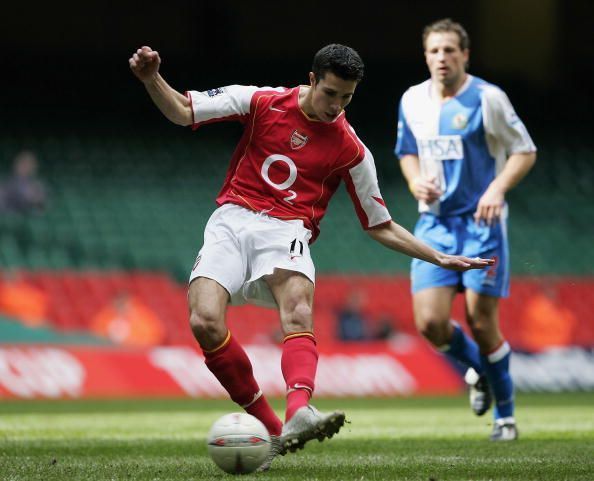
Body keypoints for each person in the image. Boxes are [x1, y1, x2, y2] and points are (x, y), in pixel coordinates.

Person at [129, 43, 492, 469]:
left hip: (288, 229)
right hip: (232, 218)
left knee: (298, 309)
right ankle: (273, 431)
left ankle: (300, 409)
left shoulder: (351, 150)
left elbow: (380, 224)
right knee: (203, 322)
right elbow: (182, 110)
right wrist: (152, 78)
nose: (337, 106)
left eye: (347, 98)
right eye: (331, 93)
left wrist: (439, 258)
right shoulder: (261, 101)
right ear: (313, 79)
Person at [394, 19, 537, 441]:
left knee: (480, 319)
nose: (442, 58)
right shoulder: (412, 100)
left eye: (450, 50)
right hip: (434, 224)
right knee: (431, 324)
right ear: (426, 56)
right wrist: (414, 180)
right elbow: (406, 152)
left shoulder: (488, 99)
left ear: (465, 55)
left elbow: (524, 151)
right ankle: (480, 370)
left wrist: (497, 187)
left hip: (481, 225)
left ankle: (506, 417)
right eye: (434, 51)